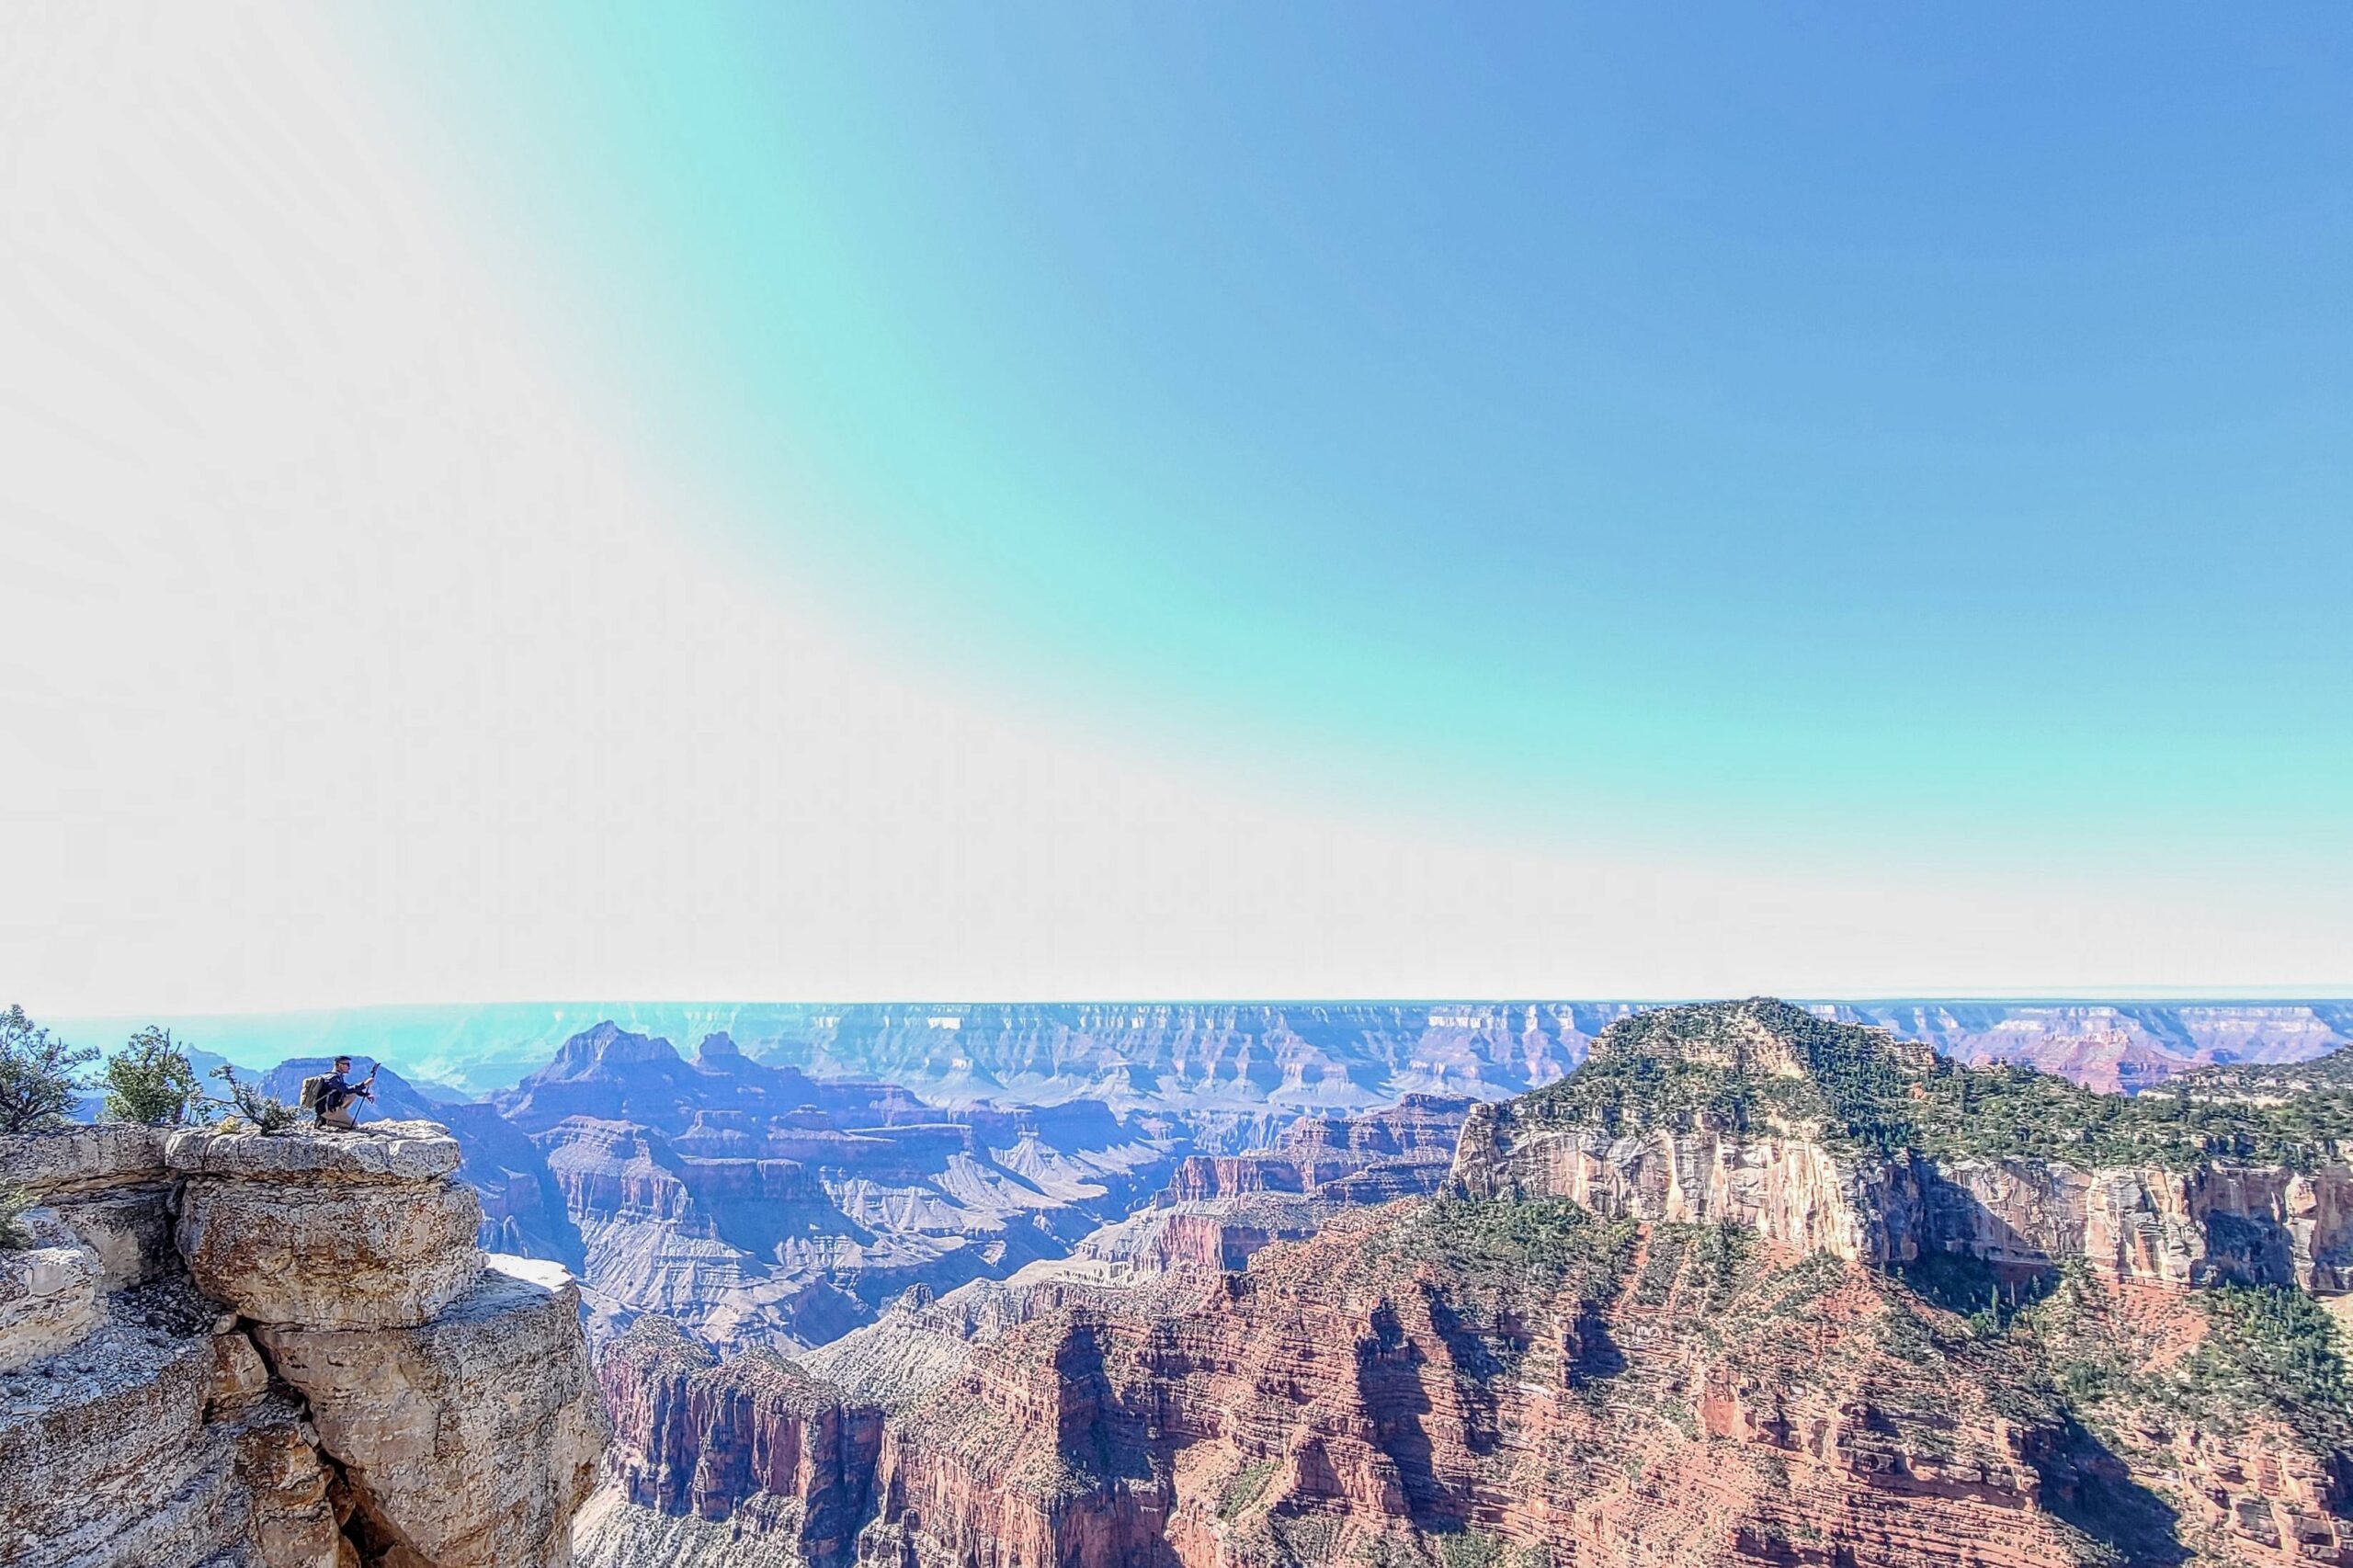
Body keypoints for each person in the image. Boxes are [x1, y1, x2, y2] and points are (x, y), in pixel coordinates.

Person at [315, 1056, 375, 1130]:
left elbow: (349, 1088)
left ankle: (337, 1114)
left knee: (353, 1094)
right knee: (353, 1125)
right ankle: (327, 1121)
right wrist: (364, 1085)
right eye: (347, 1065)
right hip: (328, 1110)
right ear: (340, 1065)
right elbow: (346, 1089)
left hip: (330, 1107)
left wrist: (366, 1094)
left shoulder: (336, 1076)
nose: (349, 1067)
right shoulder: (332, 1079)